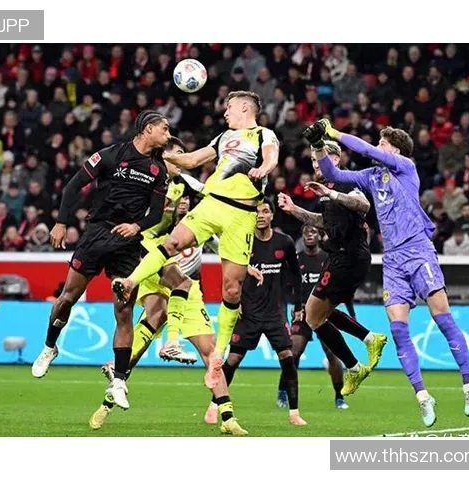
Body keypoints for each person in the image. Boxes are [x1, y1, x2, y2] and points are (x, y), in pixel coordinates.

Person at [311, 118, 469, 426]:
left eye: (383, 144)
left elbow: (366, 149)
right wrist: (319, 146)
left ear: (396, 150)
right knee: (399, 329)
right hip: (392, 258)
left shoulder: (405, 168)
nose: (378, 147)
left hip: (418, 250)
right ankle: (423, 397)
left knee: (442, 317)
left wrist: (334, 132)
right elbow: (333, 174)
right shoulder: (371, 176)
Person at [112, 91, 279, 389]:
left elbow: (271, 158)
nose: (225, 112)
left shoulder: (263, 134)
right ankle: (129, 282)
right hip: (212, 204)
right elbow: (191, 159)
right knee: (172, 243)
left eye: (229, 107)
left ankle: (217, 356)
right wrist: (163, 155)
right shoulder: (223, 137)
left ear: (244, 108)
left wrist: (263, 169)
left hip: (242, 216)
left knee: (232, 289)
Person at [31, 111, 171, 411]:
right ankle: (49, 347)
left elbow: (157, 214)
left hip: (127, 245)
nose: (168, 134)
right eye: (164, 128)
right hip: (96, 235)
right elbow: (73, 186)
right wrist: (61, 222)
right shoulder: (110, 155)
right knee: (68, 297)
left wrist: (137, 226)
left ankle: (119, 381)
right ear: (147, 129)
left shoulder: (159, 170)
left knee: (124, 311)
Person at [90, 194, 248, 435]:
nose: (182, 202)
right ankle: (107, 403)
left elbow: (223, 250)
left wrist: (248, 268)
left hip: (190, 292)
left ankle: (227, 416)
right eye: (177, 198)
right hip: (158, 281)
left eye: (186, 199)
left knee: (210, 350)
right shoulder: (157, 225)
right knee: (153, 321)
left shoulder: (202, 227)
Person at [278, 140, 384, 396]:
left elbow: (364, 205)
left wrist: (331, 193)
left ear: (335, 159)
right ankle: (368, 343)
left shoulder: (345, 182)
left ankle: (358, 362)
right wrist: (294, 210)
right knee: (317, 314)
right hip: (342, 256)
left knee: (313, 316)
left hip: (348, 257)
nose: (316, 165)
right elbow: (324, 222)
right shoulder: (329, 189)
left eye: (321, 159)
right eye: (313, 161)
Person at [204, 201, 307, 426]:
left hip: (275, 313)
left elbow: (295, 276)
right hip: (247, 312)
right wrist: (234, 302)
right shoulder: (242, 241)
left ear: (272, 216)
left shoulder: (285, 242)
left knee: (288, 359)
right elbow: (229, 273)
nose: (260, 215)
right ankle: (214, 406)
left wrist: (298, 306)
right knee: (232, 360)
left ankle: (294, 413)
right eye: (257, 212)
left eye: (265, 211)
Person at [277, 225, 383, 410]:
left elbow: (344, 291)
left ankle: (339, 396)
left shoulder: (327, 259)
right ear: (302, 237)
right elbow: (287, 287)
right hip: (302, 313)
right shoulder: (297, 259)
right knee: (293, 353)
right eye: (306, 233)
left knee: (332, 355)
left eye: (313, 232)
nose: (309, 236)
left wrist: (351, 313)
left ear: (319, 236)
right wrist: (292, 307)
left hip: (323, 312)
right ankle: (283, 391)